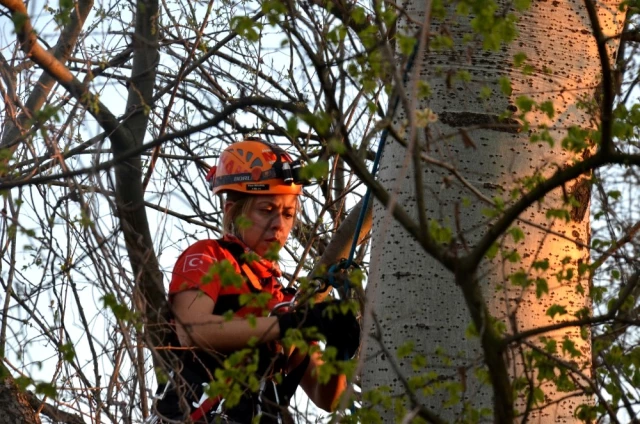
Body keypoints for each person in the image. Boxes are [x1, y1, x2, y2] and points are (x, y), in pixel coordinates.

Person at [153, 138, 361, 423]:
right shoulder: (208, 256)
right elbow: (194, 329)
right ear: (232, 214)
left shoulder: (282, 300)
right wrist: (287, 324)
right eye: (266, 210)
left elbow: (328, 398)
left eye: (288, 214)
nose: (279, 224)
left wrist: (337, 344)